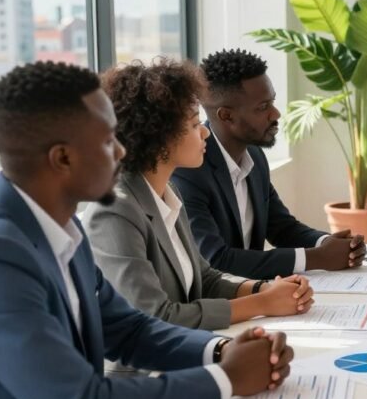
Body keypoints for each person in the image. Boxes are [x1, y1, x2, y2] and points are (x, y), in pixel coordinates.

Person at [0, 61, 293, 399]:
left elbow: (129, 330)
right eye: (106, 141)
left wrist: (223, 350)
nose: (121, 150)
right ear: (62, 158)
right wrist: (226, 378)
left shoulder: (61, 228)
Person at [85, 59, 315, 340]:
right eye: (195, 124)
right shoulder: (115, 211)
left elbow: (205, 279)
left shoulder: (168, 193)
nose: (205, 131)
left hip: (188, 351)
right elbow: (156, 315)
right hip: (145, 373)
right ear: (160, 138)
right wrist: (262, 303)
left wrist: (264, 289)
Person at [172, 48, 365, 279]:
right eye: (263, 107)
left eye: (271, 102)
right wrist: (318, 257)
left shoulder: (255, 156)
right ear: (226, 116)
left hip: (256, 295)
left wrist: (329, 243)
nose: (275, 114)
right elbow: (215, 260)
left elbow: (281, 228)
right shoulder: (188, 171)